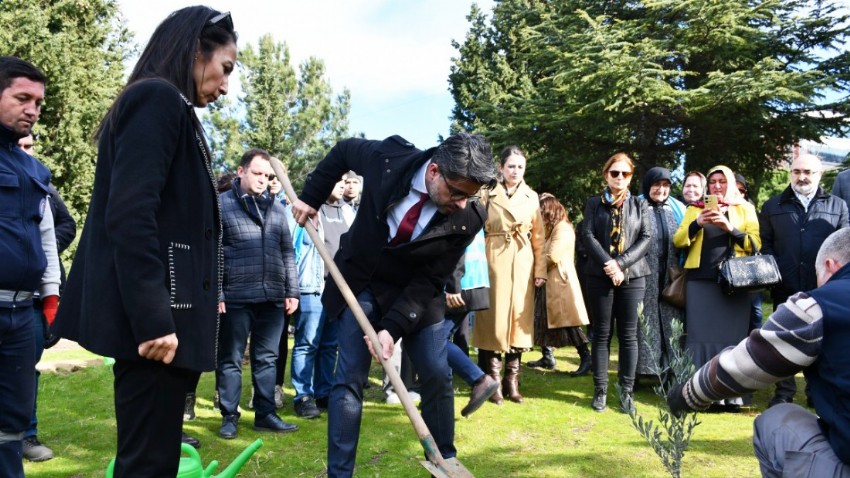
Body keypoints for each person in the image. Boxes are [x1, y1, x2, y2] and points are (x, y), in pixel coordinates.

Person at [52, 7, 237, 476]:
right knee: (146, 466)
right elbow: (131, 215)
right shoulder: (157, 98)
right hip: (158, 332)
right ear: (198, 50)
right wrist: (153, 319)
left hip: (168, 327)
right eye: (226, 68)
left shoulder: (171, 106)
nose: (225, 85)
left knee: (155, 461)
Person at [290, 132, 498, 478]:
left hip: (417, 294)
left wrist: (392, 328)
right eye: (458, 192)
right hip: (364, 280)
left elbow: (430, 280)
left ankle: (445, 461)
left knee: (434, 370)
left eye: (470, 196)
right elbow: (342, 152)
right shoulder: (388, 158)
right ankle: (339, 474)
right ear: (433, 172)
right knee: (349, 377)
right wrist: (311, 197)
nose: (463, 202)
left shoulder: (468, 217)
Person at [667, 227, 850, 477]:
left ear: (831, 265)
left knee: (776, 420)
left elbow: (749, 365)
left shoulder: (820, 305)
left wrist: (687, 395)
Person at [0, 56, 60, 478]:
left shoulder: (34, 170)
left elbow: (47, 238)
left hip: (23, 314)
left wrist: (52, 295)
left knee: (13, 423)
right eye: (23, 98)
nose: (33, 110)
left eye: (38, 102)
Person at [216, 148, 300, 439]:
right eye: (258, 173)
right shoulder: (220, 206)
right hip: (235, 296)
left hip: (273, 297)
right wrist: (217, 293)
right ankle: (229, 416)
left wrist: (293, 291)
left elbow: (287, 252)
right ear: (241, 171)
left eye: (268, 175)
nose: (263, 180)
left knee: (267, 359)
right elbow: (211, 253)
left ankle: (265, 414)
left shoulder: (277, 208)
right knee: (231, 358)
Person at [759, 153, 847, 407]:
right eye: (797, 172)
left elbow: (842, 247)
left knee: (822, 341)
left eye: (808, 172)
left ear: (819, 175)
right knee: (784, 341)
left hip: (824, 288)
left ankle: (816, 393)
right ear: (791, 174)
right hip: (785, 285)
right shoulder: (773, 206)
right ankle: (784, 392)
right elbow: (765, 245)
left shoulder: (837, 206)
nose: (802, 177)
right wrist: (776, 274)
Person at [672, 165, 760, 412]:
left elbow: (755, 244)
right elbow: (678, 240)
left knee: (732, 341)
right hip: (700, 282)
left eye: (722, 181)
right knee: (699, 340)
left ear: (730, 183)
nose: (718, 186)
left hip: (735, 284)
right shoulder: (694, 209)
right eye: (713, 182)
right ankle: (698, 394)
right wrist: (697, 223)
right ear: (708, 186)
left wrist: (728, 227)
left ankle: (731, 398)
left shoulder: (745, 208)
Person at [17, 135, 77, 462]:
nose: (25, 152)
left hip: (36, 299)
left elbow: (64, 227)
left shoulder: (44, 187)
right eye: (20, 146)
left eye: (30, 147)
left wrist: (37, 253)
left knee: (26, 367)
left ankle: (26, 436)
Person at [473, 145, 546, 405]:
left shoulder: (532, 196)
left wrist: (540, 270)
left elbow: (539, 237)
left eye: (520, 167)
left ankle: (512, 380)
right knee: (492, 320)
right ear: (501, 168)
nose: (516, 171)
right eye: (511, 166)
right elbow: (474, 230)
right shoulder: (486, 194)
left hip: (522, 259)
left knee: (519, 321)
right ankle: (492, 381)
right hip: (493, 257)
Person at [580, 153, 651, 413]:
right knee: (601, 335)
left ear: (631, 177)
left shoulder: (640, 205)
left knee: (629, 336)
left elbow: (646, 238)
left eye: (625, 174)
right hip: (599, 276)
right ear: (606, 174)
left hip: (633, 275)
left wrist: (620, 264)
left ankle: (626, 393)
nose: (619, 178)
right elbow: (587, 235)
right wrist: (609, 266)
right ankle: (600, 391)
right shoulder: (593, 204)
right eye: (614, 173)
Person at [290, 176, 349, 418]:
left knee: (329, 345)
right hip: (313, 287)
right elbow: (291, 249)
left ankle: (324, 393)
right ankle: (303, 396)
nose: (343, 185)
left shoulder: (347, 212)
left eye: (346, 181)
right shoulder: (305, 209)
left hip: (338, 290)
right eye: (338, 180)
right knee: (307, 344)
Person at [527, 193, 592, 376]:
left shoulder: (562, 229)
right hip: (549, 282)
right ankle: (547, 356)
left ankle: (587, 358)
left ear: (550, 210)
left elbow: (552, 256)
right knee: (541, 320)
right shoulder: (551, 229)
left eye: (542, 211)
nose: (539, 215)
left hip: (560, 284)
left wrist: (531, 267)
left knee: (569, 324)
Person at [443, 229, 500, 417]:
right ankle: (442, 394)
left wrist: (453, 285)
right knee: (435, 339)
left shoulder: (460, 207)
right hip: (470, 283)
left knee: (434, 339)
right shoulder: (471, 205)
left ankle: (478, 379)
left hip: (462, 286)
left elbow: (457, 247)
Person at [635, 167, 685, 382]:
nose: (661, 190)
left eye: (666, 186)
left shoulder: (675, 208)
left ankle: (671, 369)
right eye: (657, 185)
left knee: (671, 320)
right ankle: (643, 371)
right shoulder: (637, 206)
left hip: (671, 276)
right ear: (648, 185)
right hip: (644, 274)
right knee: (645, 321)